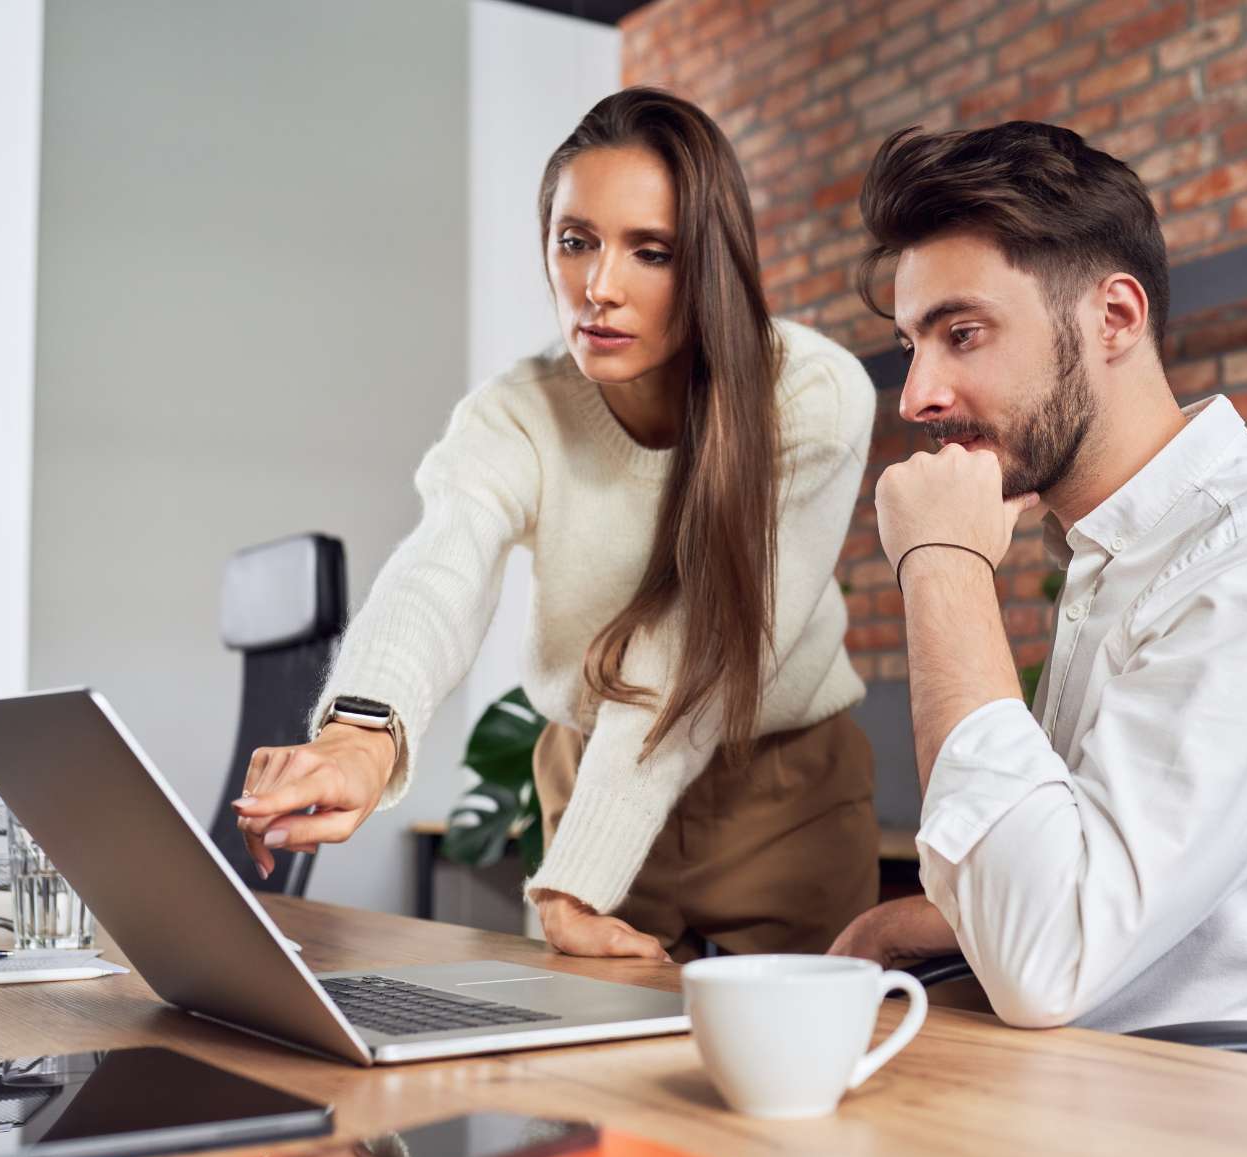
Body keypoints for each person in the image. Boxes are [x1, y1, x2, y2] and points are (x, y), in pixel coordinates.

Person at [827, 121, 1247, 1060]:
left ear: (1115, 318)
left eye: (962, 334)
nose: (917, 394)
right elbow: (1102, 882)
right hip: (1125, 1087)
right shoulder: (1120, 558)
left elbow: (1051, 955)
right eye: (914, 345)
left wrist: (942, 568)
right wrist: (906, 926)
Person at [230, 88, 879, 963]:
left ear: (710, 264)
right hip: (589, 779)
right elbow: (440, 566)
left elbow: (702, 648)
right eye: (577, 242)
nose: (599, 289)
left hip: (782, 800)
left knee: (816, 1087)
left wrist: (575, 877)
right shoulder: (517, 412)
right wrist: (359, 734)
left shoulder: (811, 394)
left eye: (650, 252)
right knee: (589, 1084)